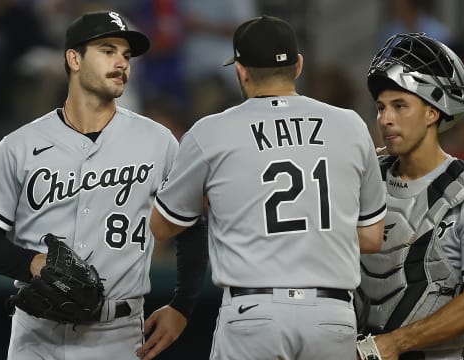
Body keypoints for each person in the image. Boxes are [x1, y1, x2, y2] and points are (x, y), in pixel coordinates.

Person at [0, 10, 207, 359]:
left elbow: (191, 228)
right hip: (37, 335)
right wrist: (34, 263)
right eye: (107, 50)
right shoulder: (19, 145)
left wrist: (182, 306)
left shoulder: (158, 141)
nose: (121, 62)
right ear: (74, 59)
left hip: (118, 334)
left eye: (126, 55)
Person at [143, 15, 386, 360]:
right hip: (332, 317)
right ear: (298, 65)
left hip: (254, 313)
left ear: (241, 70)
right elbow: (372, 237)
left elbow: (163, 227)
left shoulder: (211, 132)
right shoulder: (350, 125)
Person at [356, 32, 464, 360]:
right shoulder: (363, 182)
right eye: (381, 107)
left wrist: (394, 343)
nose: (386, 119)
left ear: (433, 112)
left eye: (400, 106)